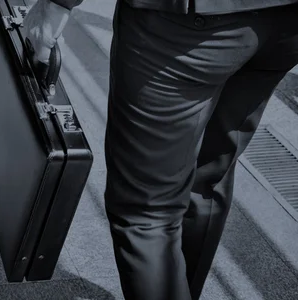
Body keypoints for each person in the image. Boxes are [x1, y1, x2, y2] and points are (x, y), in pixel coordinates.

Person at [23, 0, 298, 299]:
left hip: (182, 26)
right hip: (286, 19)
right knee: (206, 177)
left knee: (147, 213)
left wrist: (56, 5)